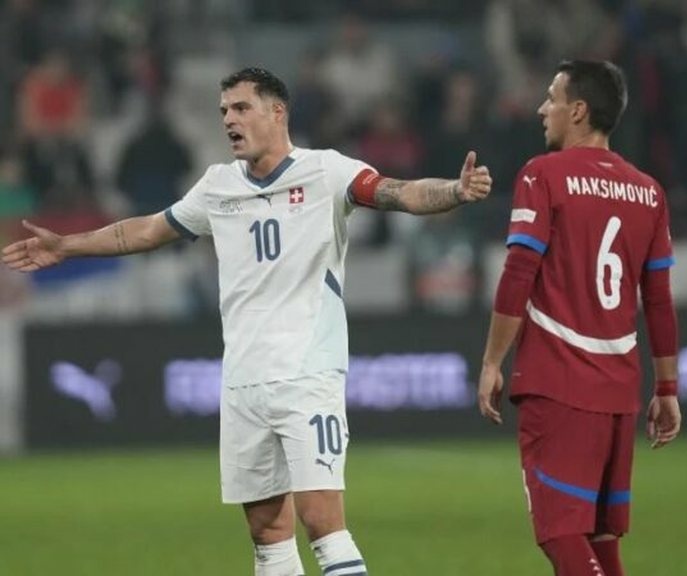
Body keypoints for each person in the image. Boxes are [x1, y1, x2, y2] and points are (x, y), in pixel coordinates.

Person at [2, 67, 492, 576]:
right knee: (267, 535)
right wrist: (68, 246)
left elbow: (399, 192)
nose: (229, 120)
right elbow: (148, 230)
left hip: (307, 374)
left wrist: (454, 191)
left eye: (240, 108)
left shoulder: (326, 172)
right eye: (223, 112)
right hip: (242, 380)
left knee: (323, 523)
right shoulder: (218, 186)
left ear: (277, 112)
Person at [477, 59, 681, 576]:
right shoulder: (649, 191)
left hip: (559, 382)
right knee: (601, 539)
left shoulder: (542, 174)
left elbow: (519, 271)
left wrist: (493, 361)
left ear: (579, 110)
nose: (542, 108)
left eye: (552, 97)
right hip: (619, 390)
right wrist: (667, 388)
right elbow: (658, 299)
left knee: (561, 533)